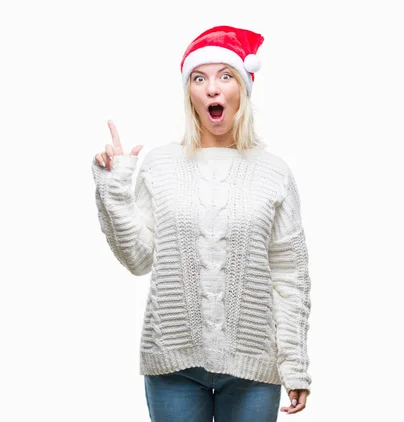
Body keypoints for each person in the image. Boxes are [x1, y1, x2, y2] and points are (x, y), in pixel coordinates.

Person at [91, 25, 312, 421]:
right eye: (200, 78)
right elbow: (139, 259)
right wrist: (114, 189)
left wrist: (295, 364)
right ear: (189, 93)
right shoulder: (160, 165)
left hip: (253, 368)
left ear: (241, 89)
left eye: (225, 76)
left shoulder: (273, 172)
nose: (212, 88)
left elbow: (290, 276)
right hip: (173, 365)